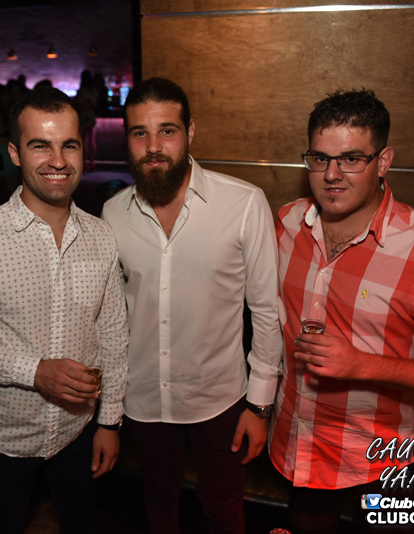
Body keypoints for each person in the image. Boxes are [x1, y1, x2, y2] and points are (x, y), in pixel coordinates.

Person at [268, 89, 414, 533]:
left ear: (383, 161)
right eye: (319, 158)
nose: (331, 174)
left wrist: (361, 364)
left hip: (386, 461)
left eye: (351, 159)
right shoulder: (286, 224)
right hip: (299, 446)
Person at [102, 77, 283, 534]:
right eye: (140, 133)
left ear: (190, 132)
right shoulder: (113, 213)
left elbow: (267, 310)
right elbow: (112, 317)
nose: (153, 146)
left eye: (167, 130)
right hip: (144, 396)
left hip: (220, 398)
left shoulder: (244, 203)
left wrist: (260, 406)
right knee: (159, 499)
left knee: (223, 510)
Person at [0, 86, 128, 534]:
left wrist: (110, 422)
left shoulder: (101, 236)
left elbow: (112, 334)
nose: (58, 160)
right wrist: (35, 372)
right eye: (40, 145)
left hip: (77, 430)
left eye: (69, 145)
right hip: (3, 437)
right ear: (14, 153)